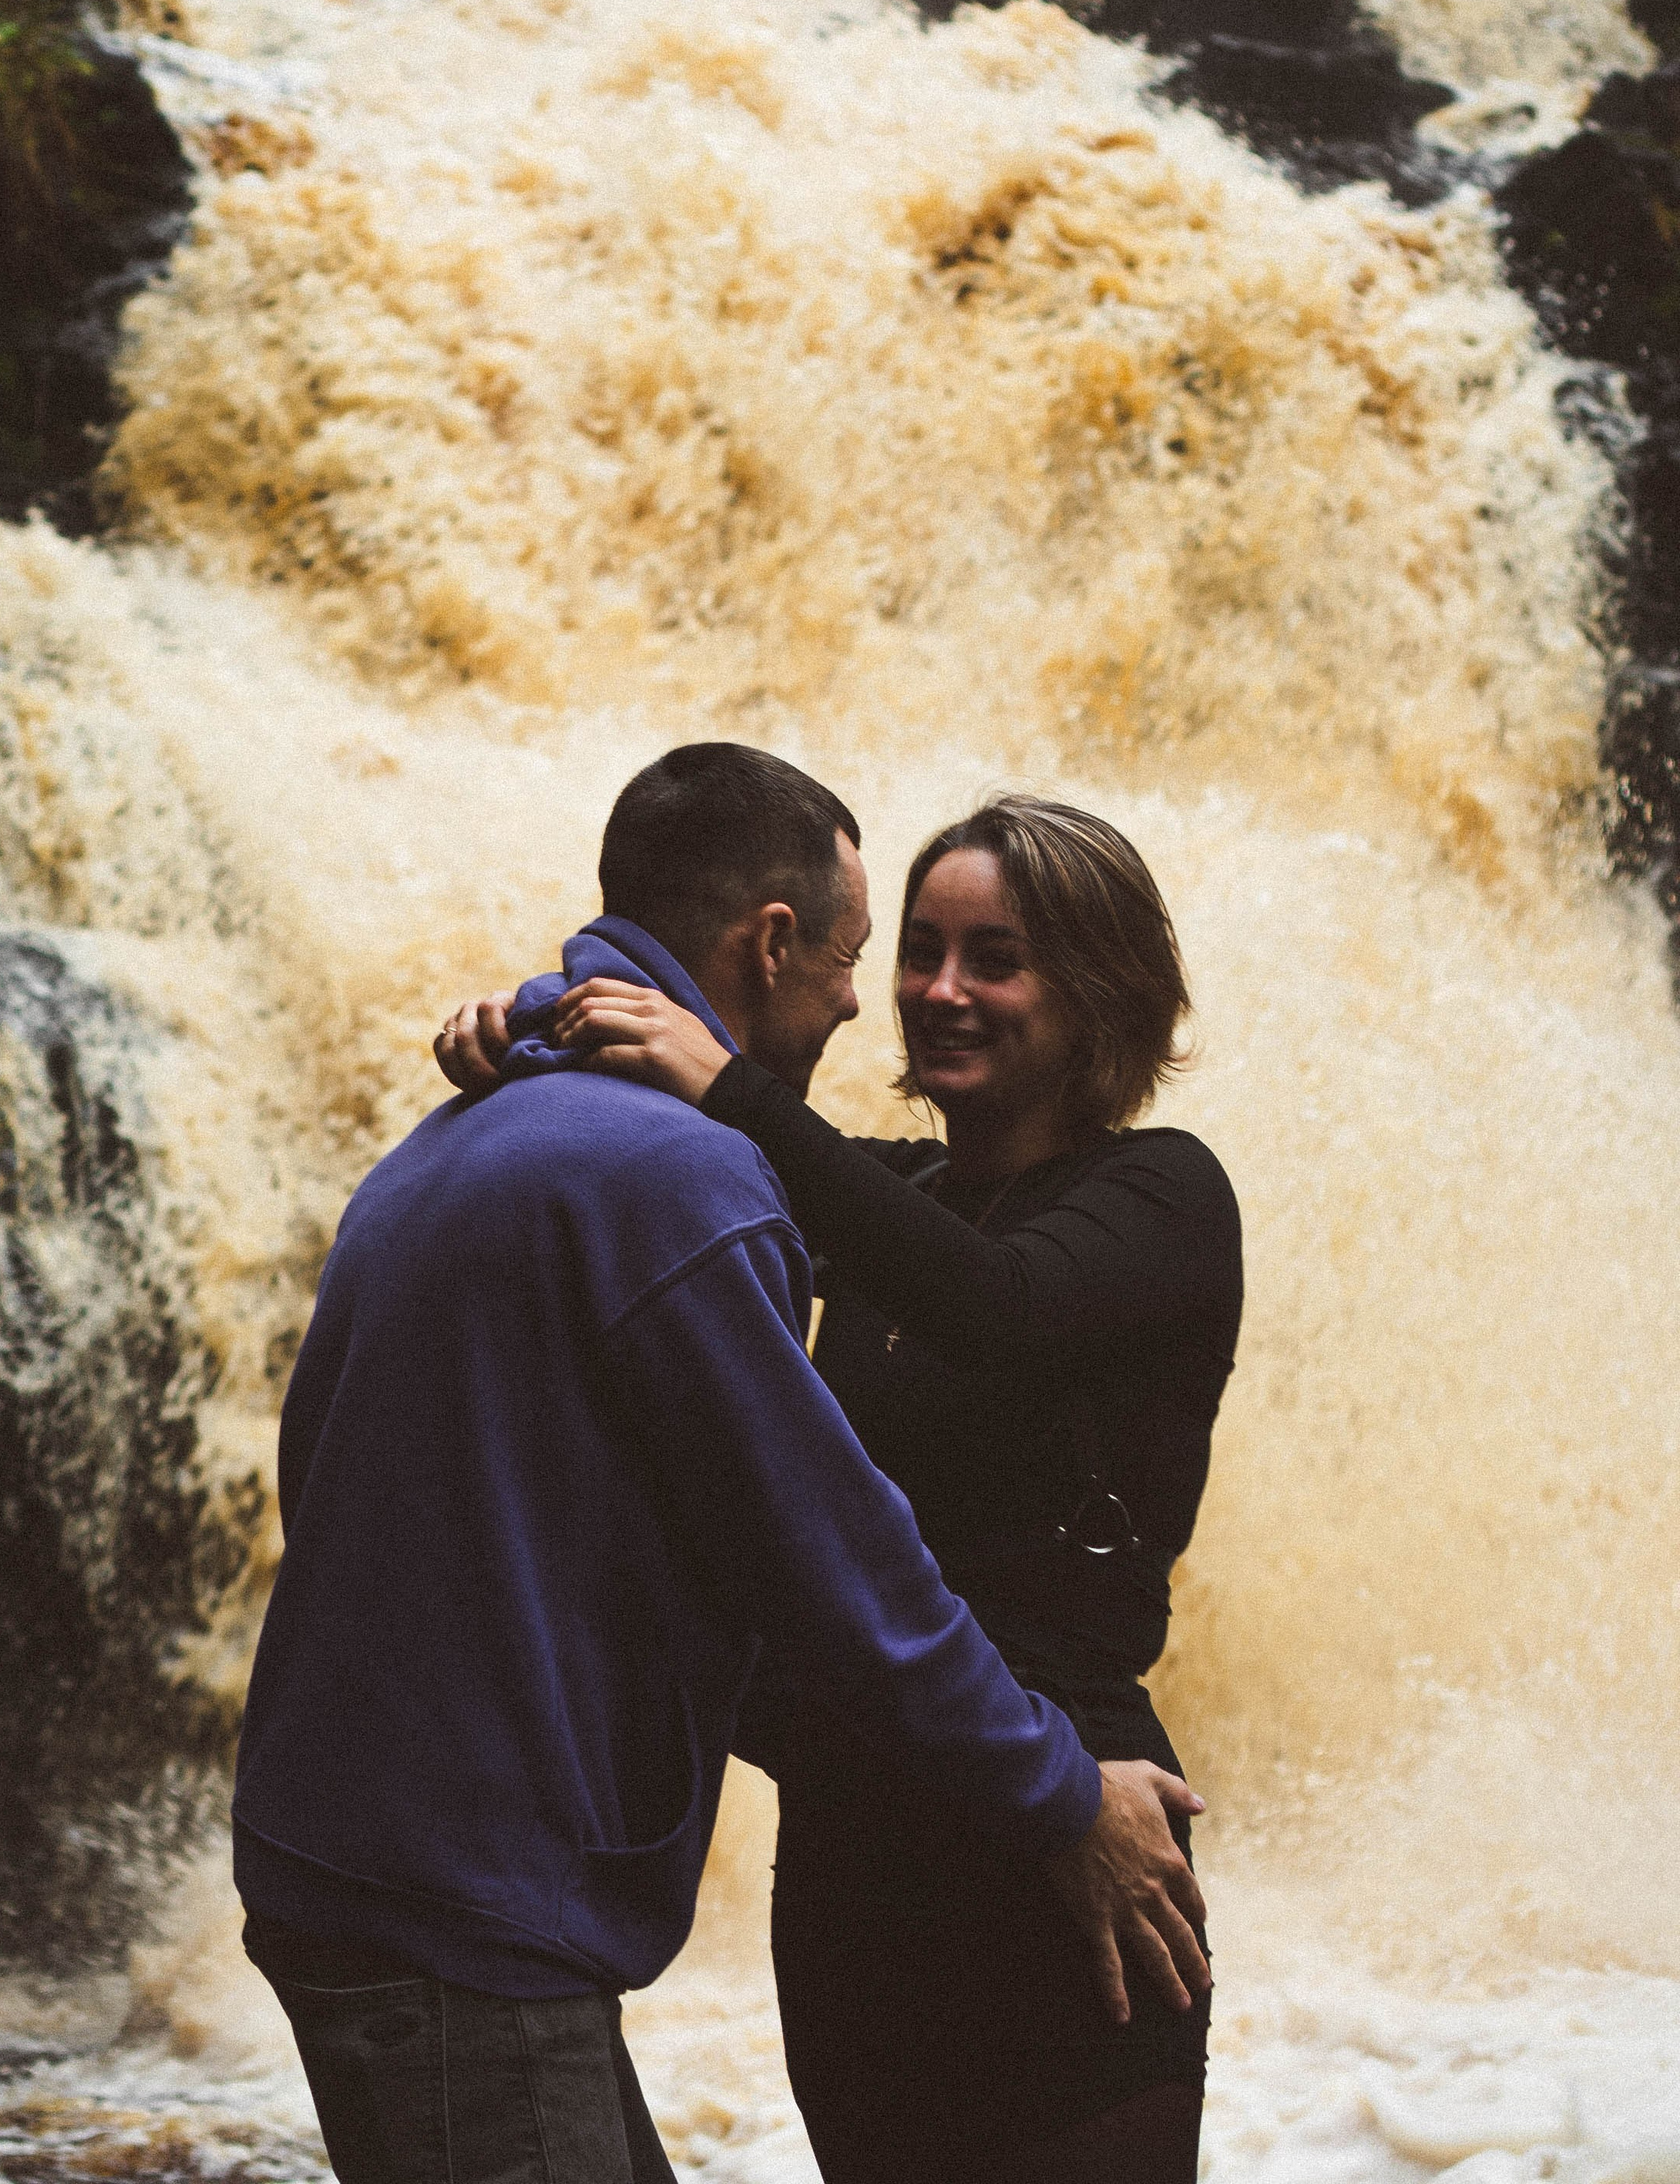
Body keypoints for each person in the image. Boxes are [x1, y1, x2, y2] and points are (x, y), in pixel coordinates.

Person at [238, 746, 1209, 2184]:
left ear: (1097, 991)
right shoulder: (789, 1187)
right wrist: (547, 1025)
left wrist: (694, 1073)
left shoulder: (1157, 1192)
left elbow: (987, 1314)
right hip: (861, 1864)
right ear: (771, 942)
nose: (915, 993)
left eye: (994, 960)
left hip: (1057, 1846)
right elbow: (801, 1548)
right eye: (904, 953)